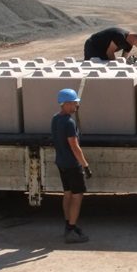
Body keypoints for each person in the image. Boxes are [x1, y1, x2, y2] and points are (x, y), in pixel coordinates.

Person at [51, 88, 92, 244]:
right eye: (74, 103)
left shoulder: (55, 119)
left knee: (67, 193)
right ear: (66, 104)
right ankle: (72, 229)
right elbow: (75, 147)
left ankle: (67, 224)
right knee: (77, 196)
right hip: (72, 165)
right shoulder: (69, 123)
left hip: (61, 163)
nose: (76, 105)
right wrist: (85, 165)